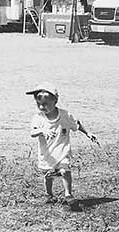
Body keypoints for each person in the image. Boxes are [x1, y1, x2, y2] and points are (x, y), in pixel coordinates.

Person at [27, 83, 99, 211]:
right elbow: (32, 132)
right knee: (49, 175)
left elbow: (76, 124)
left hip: (62, 150)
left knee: (65, 170)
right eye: (39, 104)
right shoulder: (38, 118)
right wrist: (42, 131)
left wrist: (88, 133)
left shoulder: (65, 115)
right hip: (47, 153)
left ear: (55, 101)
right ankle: (49, 195)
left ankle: (68, 194)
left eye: (45, 104)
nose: (42, 107)